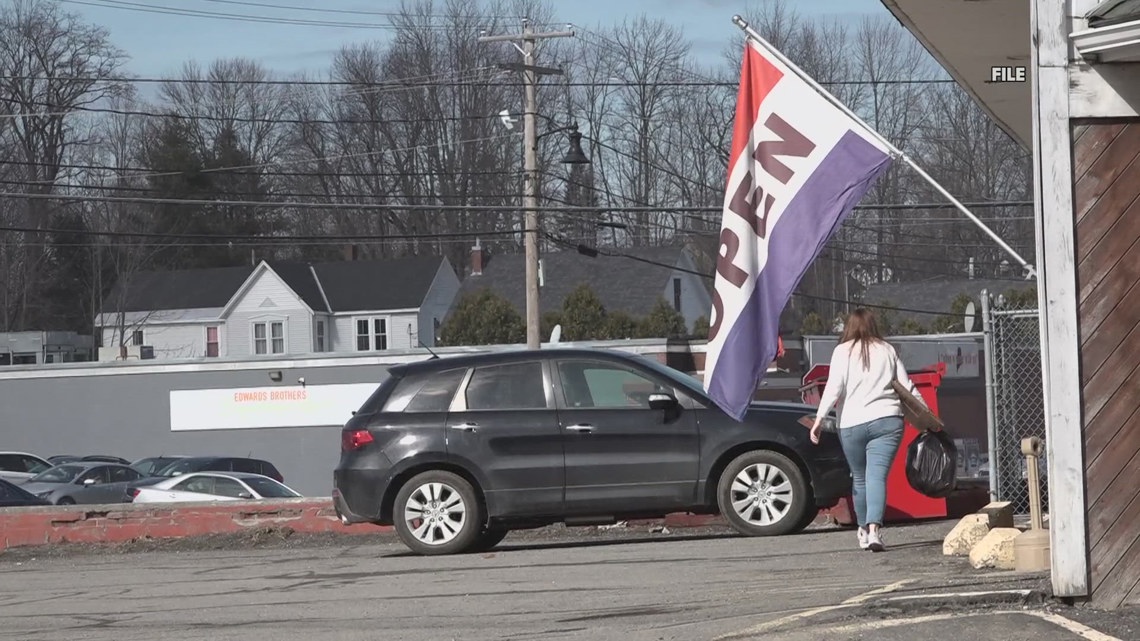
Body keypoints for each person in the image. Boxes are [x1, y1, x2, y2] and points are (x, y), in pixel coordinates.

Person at [809, 308, 923, 552]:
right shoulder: (887, 349)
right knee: (877, 477)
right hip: (887, 420)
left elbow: (834, 387)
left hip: (851, 423)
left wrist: (819, 419)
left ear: (848, 327)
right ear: (873, 325)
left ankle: (862, 530)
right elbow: (907, 386)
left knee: (859, 478)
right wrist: (927, 415)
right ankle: (874, 531)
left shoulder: (841, 351)